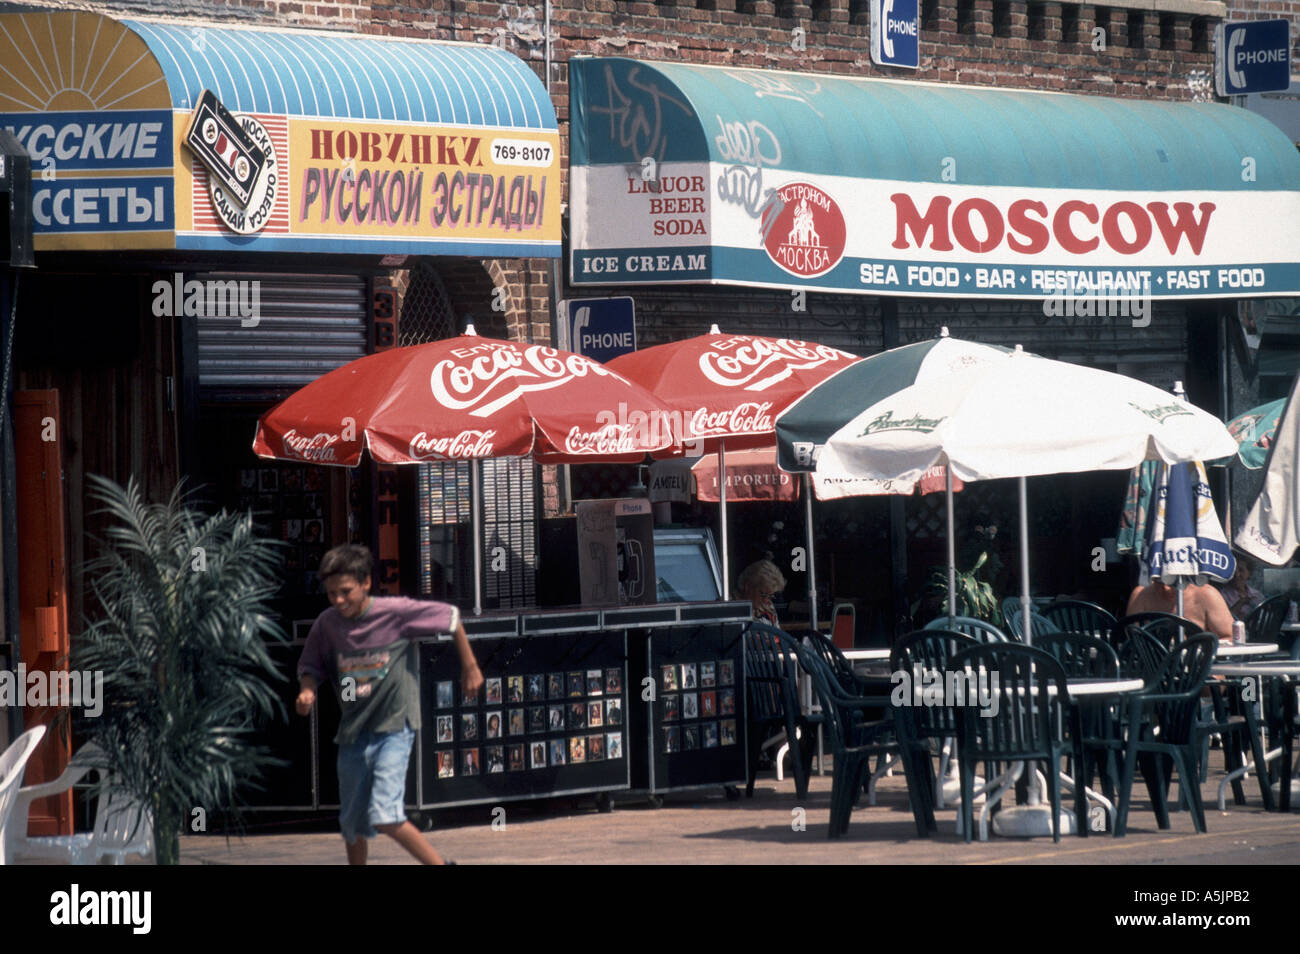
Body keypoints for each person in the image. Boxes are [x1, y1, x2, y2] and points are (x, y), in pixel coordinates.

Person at [297, 543, 482, 866]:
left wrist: (470, 667)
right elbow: (311, 666)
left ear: (366, 582)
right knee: (352, 823)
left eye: (346, 592)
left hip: (395, 728)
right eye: (332, 594)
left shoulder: (395, 613)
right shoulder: (327, 624)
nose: (339, 601)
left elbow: (452, 619)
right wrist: (307, 690)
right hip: (353, 735)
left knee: (384, 814)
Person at [1126, 577, 1235, 641]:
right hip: (1153, 671)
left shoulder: (1206, 595)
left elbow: (1231, 637)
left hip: (1200, 671)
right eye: (1159, 581)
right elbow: (1130, 639)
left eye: (1171, 581)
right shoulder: (1141, 595)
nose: (1166, 588)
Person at [737, 558, 786, 626]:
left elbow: (776, 635)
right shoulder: (727, 608)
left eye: (770, 596)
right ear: (748, 586)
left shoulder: (769, 607)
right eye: (763, 594)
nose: (766, 600)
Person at [1218, 556, 1264, 622]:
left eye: (1241, 570)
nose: (1236, 574)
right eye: (1233, 570)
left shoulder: (1257, 595)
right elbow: (1224, 619)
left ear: (1249, 574)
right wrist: (1241, 602)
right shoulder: (1222, 595)